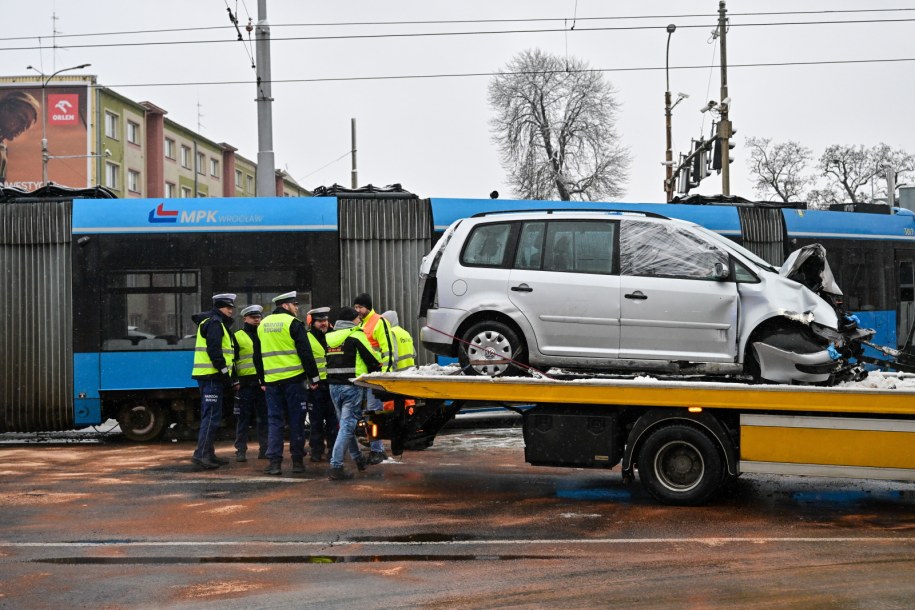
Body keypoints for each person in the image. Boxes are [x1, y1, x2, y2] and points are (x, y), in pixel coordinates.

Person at [255, 291, 320, 476]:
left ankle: (274, 463)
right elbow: (305, 352)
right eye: (295, 304)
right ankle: (297, 462)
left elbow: (257, 355)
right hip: (294, 382)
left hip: (272, 383)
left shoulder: (263, 325)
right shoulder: (293, 323)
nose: (297, 308)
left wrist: (262, 379)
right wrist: (313, 378)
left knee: (274, 421)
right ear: (285, 306)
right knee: (296, 421)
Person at [325, 307, 382, 480]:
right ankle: (336, 466)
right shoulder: (356, 335)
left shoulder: (329, 337)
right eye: (357, 318)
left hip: (333, 387)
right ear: (351, 320)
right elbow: (372, 360)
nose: (360, 320)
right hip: (352, 386)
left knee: (345, 426)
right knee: (347, 427)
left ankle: (358, 460)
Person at [190, 293, 238, 470]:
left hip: (210, 376)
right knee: (211, 417)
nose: (231, 311)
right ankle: (202, 454)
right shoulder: (215, 323)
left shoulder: (214, 322)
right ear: (220, 307)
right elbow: (214, 351)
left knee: (211, 416)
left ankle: (207, 453)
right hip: (211, 376)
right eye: (228, 307)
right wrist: (225, 372)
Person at [352, 293, 394, 465]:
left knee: (373, 414)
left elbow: (388, 349)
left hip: (375, 377)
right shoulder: (361, 323)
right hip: (364, 377)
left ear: (368, 307)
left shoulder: (379, 321)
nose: (357, 310)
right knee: (367, 415)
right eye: (355, 307)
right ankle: (375, 448)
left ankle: (377, 450)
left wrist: (385, 374)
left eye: (360, 307)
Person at [233, 304, 268, 462]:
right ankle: (240, 451)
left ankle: (265, 450)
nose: (256, 320)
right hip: (246, 384)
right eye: (253, 317)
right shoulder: (237, 336)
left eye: (258, 317)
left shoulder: (264, 335)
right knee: (243, 419)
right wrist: (235, 381)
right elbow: (231, 360)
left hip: (262, 384)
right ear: (245, 318)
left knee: (264, 418)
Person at [380, 310, 417, 458]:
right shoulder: (405, 333)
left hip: (397, 377)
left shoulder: (391, 333)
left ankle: (396, 438)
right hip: (409, 375)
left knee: (393, 409)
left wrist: (387, 371)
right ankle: (407, 432)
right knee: (408, 406)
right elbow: (413, 353)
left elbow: (392, 356)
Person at [305, 307, 338, 462]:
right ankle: (316, 450)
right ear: (312, 323)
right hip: (315, 386)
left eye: (325, 320)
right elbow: (303, 361)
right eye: (319, 321)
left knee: (333, 419)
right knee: (316, 420)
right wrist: (309, 380)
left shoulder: (334, 336)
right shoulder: (306, 337)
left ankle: (333, 449)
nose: (323, 323)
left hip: (331, 384)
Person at [0, 91, 40, 184]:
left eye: (26, 126)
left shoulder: (3, 147)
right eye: (21, 119)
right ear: (5, 109)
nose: (22, 128)